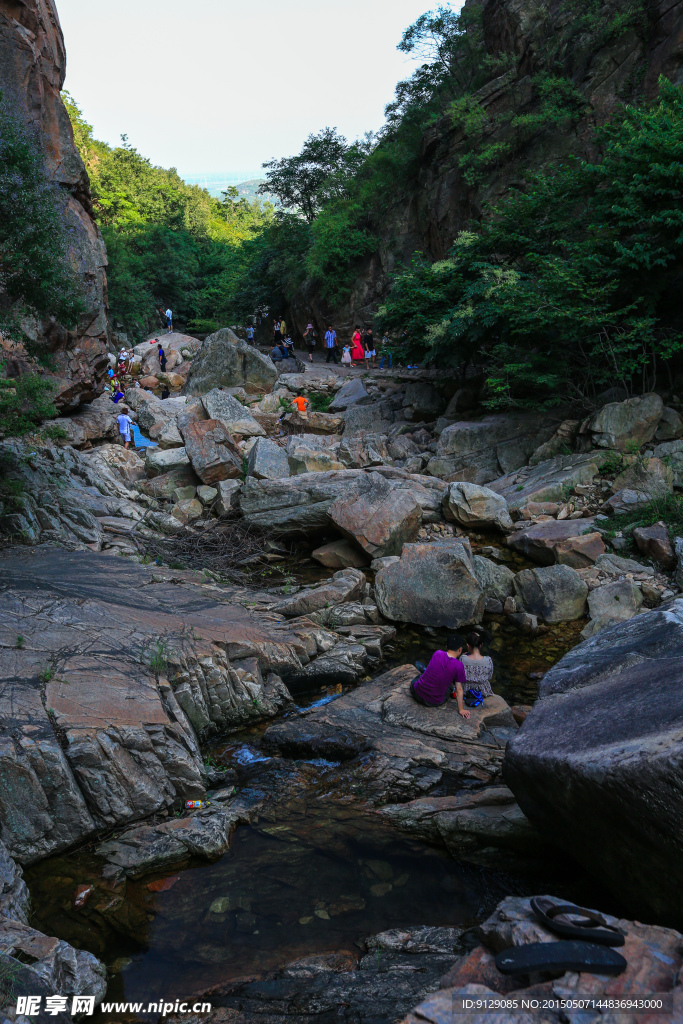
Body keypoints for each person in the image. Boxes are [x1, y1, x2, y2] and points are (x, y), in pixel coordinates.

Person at [409, 635, 470, 719]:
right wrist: (461, 709)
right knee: (449, 687)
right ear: (460, 650)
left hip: (416, 693)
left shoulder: (437, 653)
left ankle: (423, 669)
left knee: (420, 677)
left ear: (446, 646)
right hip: (433, 701)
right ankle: (424, 670)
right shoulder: (459, 666)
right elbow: (459, 689)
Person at [461, 630, 494, 698]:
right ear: (481, 645)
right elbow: (490, 676)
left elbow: (459, 675)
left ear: (468, 645)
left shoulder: (463, 658)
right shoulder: (488, 660)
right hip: (483, 691)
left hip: (466, 690)